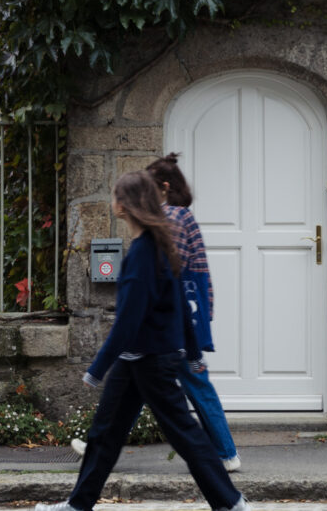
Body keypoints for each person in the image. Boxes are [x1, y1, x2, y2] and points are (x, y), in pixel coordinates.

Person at [37, 171, 248, 511]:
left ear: (124, 205)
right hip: (139, 359)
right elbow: (181, 305)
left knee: (186, 436)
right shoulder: (157, 244)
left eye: (113, 196)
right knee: (104, 434)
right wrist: (192, 353)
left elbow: (127, 323)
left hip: (152, 360)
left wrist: (96, 369)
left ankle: (232, 503)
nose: (111, 202)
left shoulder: (143, 253)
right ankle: (78, 505)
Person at [73, 154, 241, 472]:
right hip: (175, 320)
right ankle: (100, 447)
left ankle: (225, 454)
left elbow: (166, 272)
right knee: (137, 389)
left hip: (172, 322)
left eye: (150, 188)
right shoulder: (179, 215)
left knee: (192, 387)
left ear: (163, 188)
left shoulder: (172, 217)